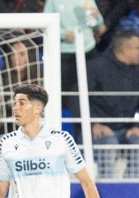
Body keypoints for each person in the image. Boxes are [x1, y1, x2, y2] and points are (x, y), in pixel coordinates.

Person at [87, 29, 139, 179]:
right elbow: (76, 100)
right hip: (98, 130)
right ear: (125, 50)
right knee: (109, 142)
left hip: (126, 129)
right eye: (138, 47)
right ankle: (106, 189)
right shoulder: (96, 67)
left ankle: (130, 187)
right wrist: (94, 123)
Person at [43, 0, 105, 130]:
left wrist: (97, 18)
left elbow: (97, 23)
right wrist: (63, 34)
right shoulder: (53, 2)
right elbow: (43, 23)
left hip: (88, 50)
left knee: (91, 94)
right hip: (64, 53)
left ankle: (91, 129)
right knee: (65, 98)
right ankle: (66, 133)